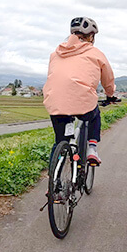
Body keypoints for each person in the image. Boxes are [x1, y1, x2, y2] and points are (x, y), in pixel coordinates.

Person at [43, 17, 118, 165]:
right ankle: (92, 148)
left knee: (60, 141)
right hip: (83, 103)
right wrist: (110, 95)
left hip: (55, 102)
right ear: (91, 36)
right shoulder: (95, 53)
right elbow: (108, 79)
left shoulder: (56, 53)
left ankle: (53, 180)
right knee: (94, 114)